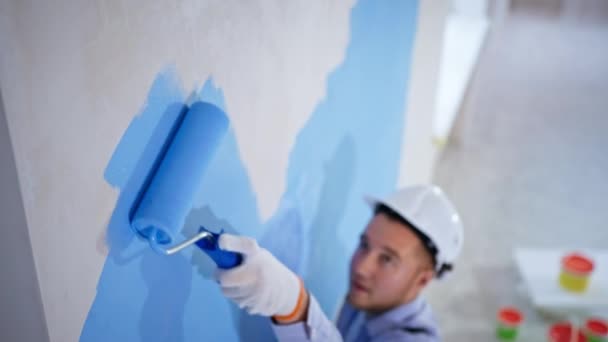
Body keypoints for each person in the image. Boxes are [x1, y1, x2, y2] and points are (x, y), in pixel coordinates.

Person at [216, 184, 464, 341]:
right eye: (364, 245)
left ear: (423, 279)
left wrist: (293, 305)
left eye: (387, 259)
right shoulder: (366, 298)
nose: (361, 267)